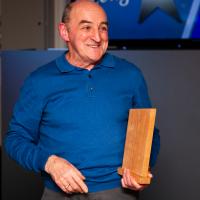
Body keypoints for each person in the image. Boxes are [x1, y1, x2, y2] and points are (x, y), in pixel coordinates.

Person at [4, 0, 160, 200]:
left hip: (118, 192)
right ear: (65, 32)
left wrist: (143, 168)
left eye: (103, 28)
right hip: (58, 193)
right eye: (86, 27)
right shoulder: (39, 81)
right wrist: (50, 163)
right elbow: (15, 139)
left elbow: (149, 133)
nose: (97, 37)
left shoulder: (130, 75)